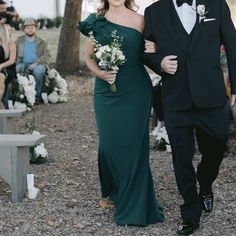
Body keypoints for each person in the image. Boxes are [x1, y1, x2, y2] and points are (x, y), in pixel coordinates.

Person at [143, 0, 236, 235]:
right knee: (181, 158)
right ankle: (190, 214)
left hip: (211, 96)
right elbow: (141, 49)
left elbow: (233, 45)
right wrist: (158, 62)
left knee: (215, 149)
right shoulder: (154, 11)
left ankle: (205, 183)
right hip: (176, 98)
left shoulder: (216, 5)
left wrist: (235, 87)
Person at [78, 0, 165, 226]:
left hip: (136, 90)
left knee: (134, 146)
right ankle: (118, 190)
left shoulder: (141, 20)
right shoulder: (97, 21)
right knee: (110, 145)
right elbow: (88, 57)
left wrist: (156, 49)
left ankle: (134, 204)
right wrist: (102, 74)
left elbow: (153, 51)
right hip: (106, 92)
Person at [15, 18, 51, 103]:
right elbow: (14, 53)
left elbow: (47, 55)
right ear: (24, 29)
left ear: (36, 28)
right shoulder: (19, 41)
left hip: (38, 64)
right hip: (23, 63)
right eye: (28, 28)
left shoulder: (42, 41)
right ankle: (21, 96)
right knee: (17, 69)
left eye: (32, 28)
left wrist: (36, 63)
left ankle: (37, 96)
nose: (30, 30)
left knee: (38, 71)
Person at [0, 15, 16, 109]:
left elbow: (11, 60)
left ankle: (0, 104)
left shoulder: (10, 44)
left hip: (7, 68)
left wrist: (1, 66)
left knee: (0, 77)